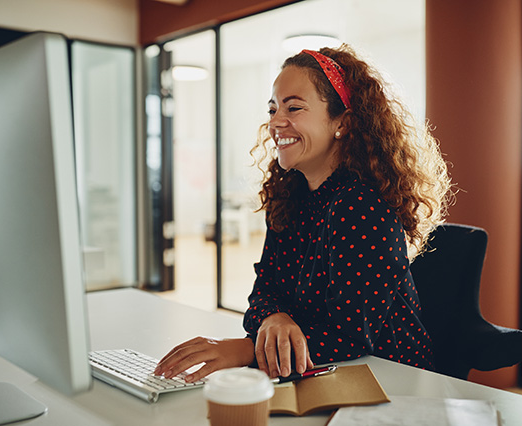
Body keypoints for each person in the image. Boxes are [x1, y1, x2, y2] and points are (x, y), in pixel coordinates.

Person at [155, 45, 452, 384]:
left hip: (391, 380)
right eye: (273, 109)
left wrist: (244, 349)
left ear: (342, 122)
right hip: (317, 373)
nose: (276, 122)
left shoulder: (363, 207)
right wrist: (273, 318)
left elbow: (351, 336)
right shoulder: (289, 195)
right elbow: (263, 291)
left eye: (293, 107)